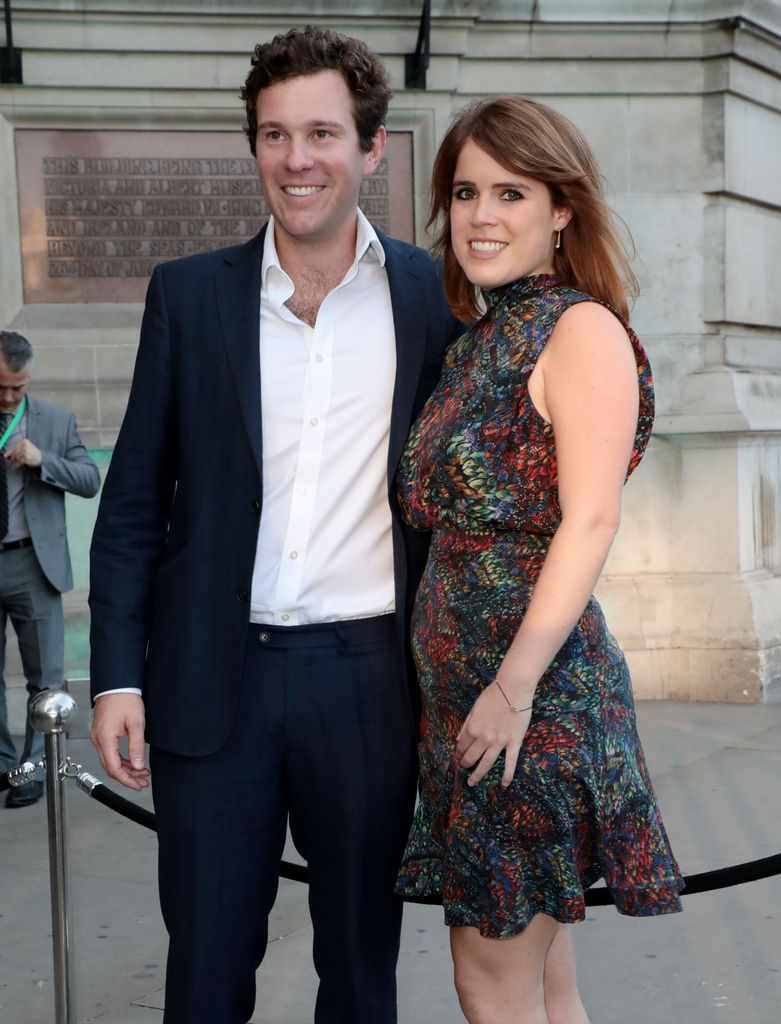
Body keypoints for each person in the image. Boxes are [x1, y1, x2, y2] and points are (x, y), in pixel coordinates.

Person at [88, 25, 459, 1024]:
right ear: (254, 146)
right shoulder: (189, 296)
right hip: (215, 682)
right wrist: (118, 676)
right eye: (275, 135)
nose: (299, 159)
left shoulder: (435, 299)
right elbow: (130, 507)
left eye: (324, 134)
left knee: (359, 970)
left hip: (370, 685)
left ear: (370, 148)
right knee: (205, 972)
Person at [394, 96, 685, 1024]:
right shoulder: (480, 340)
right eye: (466, 192)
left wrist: (511, 686)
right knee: (541, 983)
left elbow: (590, 520)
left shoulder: (578, 330)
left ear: (560, 209)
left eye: (510, 192)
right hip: (470, 706)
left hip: (529, 704)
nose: (481, 216)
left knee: (489, 981)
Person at [0, 330, 100, 807]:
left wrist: (44, 461)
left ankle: (34, 767)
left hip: (33, 563)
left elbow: (89, 479)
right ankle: (4, 767)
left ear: (29, 379)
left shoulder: (55, 422)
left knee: (46, 678)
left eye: (16, 388)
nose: (7, 396)